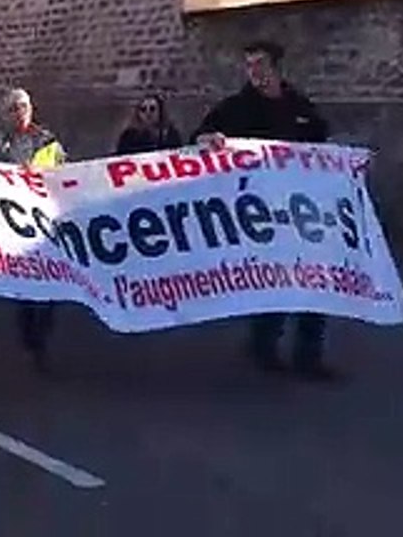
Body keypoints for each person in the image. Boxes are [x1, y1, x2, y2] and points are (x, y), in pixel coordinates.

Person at [193, 40, 335, 381]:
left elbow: (324, 144)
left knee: (317, 281)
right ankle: (263, 346)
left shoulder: (299, 105)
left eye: (260, 64)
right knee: (273, 279)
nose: (254, 72)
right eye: (249, 65)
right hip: (259, 212)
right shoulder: (236, 108)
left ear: (276, 68)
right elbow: (200, 136)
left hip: (303, 209)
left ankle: (308, 356)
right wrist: (205, 140)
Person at [0, 88, 66, 373]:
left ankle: (41, 335)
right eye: (14, 108)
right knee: (26, 284)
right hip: (13, 221)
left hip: (43, 219)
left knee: (50, 284)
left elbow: (65, 171)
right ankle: (30, 335)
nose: (20, 112)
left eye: (24, 107)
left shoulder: (46, 140)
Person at [115, 94, 183, 155]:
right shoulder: (129, 137)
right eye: (143, 109)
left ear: (160, 112)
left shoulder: (171, 134)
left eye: (152, 109)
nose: (148, 113)